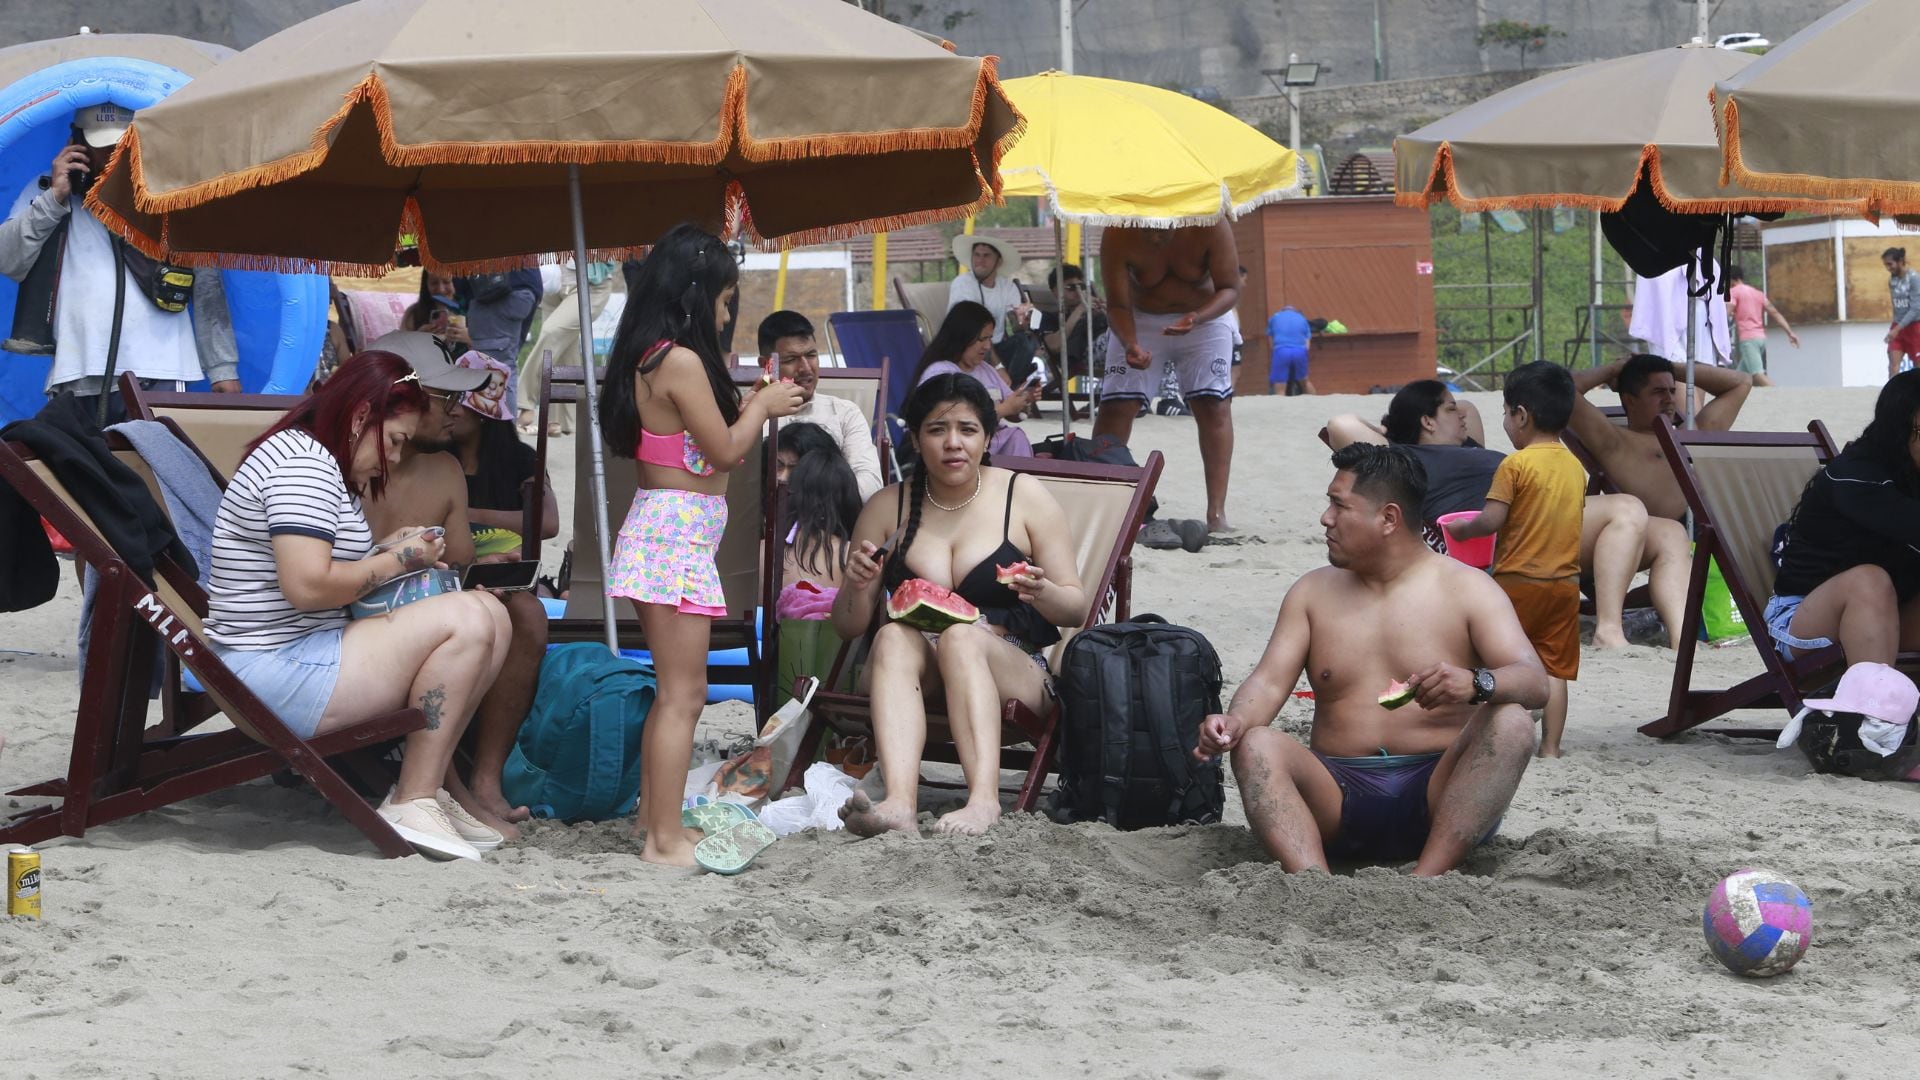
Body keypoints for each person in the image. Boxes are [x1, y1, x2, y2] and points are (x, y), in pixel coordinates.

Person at [203, 351, 514, 861]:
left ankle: (427, 788)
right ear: (360, 418)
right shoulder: (302, 466)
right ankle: (411, 797)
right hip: (275, 672)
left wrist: (385, 552)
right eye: (394, 440)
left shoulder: (314, 460)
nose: (394, 457)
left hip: (297, 655)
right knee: (472, 617)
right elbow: (308, 587)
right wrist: (401, 560)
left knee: (492, 616)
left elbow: (314, 572)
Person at [1194, 443, 1548, 875]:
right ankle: (1312, 882)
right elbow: (1268, 683)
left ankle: (1428, 878)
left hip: (1442, 791)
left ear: (1389, 519)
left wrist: (1476, 683)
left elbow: (1534, 682)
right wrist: (1234, 722)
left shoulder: (1468, 589)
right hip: (1336, 795)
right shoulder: (1312, 593)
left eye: (1339, 506)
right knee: (1255, 743)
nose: (1326, 518)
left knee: (1511, 720)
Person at [598, 223, 805, 867]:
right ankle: (663, 840)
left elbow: (697, 447)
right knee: (684, 696)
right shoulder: (680, 360)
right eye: (723, 298)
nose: (726, 310)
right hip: (673, 539)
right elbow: (725, 452)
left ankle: (649, 824)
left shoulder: (652, 356)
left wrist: (748, 405)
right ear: (695, 294)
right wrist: (764, 406)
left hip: (668, 533)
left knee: (674, 693)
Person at [832, 374, 1089, 837]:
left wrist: (1041, 591)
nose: (954, 444)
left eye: (968, 430)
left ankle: (984, 801)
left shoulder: (1022, 495)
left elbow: (1075, 610)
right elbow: (849, 627)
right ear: (915, 438)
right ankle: (899, 804)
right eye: (937, 430)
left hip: (1014, 669)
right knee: (891, 635)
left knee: (962, 637)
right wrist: (855, 586)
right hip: (917, 672)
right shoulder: (888, 506)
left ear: (988, 437)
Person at [360, 333, 555, 838]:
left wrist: (493, 567)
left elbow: (461, 563)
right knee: (462, 621)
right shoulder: (348, 464)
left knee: (524, 611)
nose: (457, 408)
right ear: (402, 399)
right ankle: (442, 790)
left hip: (417, 605)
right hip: (354, 619)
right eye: (445, 397)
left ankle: (481, 781)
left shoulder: (445, 468)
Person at [0, 104, 241, 419]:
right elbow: (8, 259)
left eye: (123, 145)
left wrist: (222, 367)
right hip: (77, 375)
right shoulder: (47, 190)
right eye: (104, 148)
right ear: (79, 146)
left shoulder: (169, 193)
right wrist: (55, 199)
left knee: (151, 467)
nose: (115, 155)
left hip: (159, 370)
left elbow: (206, 279)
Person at [1442, 363, 1584, 758]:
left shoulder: (1515, 464)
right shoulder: (1574, 466)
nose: (1505, 421)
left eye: (1506, 413)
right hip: (1566, 583)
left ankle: (1487, 736)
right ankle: (1551, 749)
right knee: (1554, 669)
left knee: (1498, 658)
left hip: (1517, 579)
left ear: (1521, 415)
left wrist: (1463, 530)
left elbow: (1492, 520)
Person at [1568, 354, 1753, 645]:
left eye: (1671, 390)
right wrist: (1613, 370)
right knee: (1674, 536)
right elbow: (1564, 389)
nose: (1669, 399)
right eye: (1657, 392)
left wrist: (1673, 369)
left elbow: (1741, 382)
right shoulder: (1613, 440)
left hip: (1700, 538)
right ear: (1629, 400)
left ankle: (1685, 642)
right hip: (1642, 537)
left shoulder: (1692, 434)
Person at [1769, 370, 1920, 673]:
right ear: (1899, 428)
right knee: (1869, 580)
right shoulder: (1856, 475)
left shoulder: (1911, 469)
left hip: (1891, 612)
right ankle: (1875, 712)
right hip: (1803, 618)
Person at [1096, 222, 1241, 533]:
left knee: (1213, 405)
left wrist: (1197, 317)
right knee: (1116, 407)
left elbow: (1229, 288)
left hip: (1206, 316)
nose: (1154, 237)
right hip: (1140, 317)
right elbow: (1118, 304)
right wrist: (1130, 342)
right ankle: (1098, 498)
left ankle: (1217, 513)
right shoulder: (1117, 232)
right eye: (1146, 229)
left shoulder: (1210, 223)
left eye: (1162, 229)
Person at [757, 310, 885, 500]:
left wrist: (815, 499)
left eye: (811, 355)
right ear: (766, 365)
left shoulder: (844, 413)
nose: (806, 368)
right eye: (791, 359)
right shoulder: (753, 416)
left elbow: (871, 485)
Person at [912, 301, 1039, 459]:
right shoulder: (940, 372)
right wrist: (1005, 408)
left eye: (989, 339)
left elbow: (1012, 410)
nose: (987, 346)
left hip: (989, 445)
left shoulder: (986, 370)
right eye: (981, 339)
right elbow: (953, 420)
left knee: (1016, 437)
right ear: (962, 338)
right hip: (955, 448)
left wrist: (1023, 401)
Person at [519, 259, 620, 437]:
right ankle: (561, 419)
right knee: (563, 351)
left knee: (552, 333)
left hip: (590, 284)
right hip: (553, 282)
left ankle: (525, 400)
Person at [776, 423, 861, 612]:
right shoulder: (854, 555)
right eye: (778, 466)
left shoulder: (765, 551)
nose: (783, 478)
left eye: (795, 470)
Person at [458, 269, 542, 402]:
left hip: (497, 289)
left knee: (497, 377)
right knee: (501, 371)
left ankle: (503, 422)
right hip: (519, 285)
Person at [945, 234, 1032, 359]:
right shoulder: (962, 284)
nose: (980, 260)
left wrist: (1022, 320)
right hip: (966, 347)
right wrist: (998, 367)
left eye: (986, 255)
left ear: (999, 261)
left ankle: (1004, 378)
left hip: (994, 347)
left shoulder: (1007, 287)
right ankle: (1002, 378)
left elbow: (1014, 326)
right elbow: (969, 331)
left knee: (1026, 342)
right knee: (980, 347)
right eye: (976, 255)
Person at [1725, 265, 1798, 389]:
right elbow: (1775, 313)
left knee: (1757, 375)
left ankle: (1781, 397)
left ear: (1732, 279)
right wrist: (1790, 332)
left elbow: (1726, 312)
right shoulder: (1757, 293)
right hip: (1760, 339)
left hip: (1748, 339)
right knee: (1738, 377)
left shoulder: (1734, 292)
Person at [1037, 263, 1107, 385]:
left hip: (1109, 346)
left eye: (1081, 286)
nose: (1078, 291)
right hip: (1084, 355)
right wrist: (1079, 310)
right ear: (1055, 292)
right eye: (1071, 287)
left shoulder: (1094, 310)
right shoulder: (1048, 317)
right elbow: (1054, 346)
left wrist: (1109, 311)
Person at [401, 269, 470, 348]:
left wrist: (470, 339)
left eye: (446, 282)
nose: (441, 289)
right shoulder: (413, 313)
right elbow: (402, 350)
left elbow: (484, 354)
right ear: (426, 285)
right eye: (434, 283)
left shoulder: (471, 310)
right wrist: (418, 337)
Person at [1883, 247, 1920, 380]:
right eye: (1886, 265)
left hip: (1914, 327)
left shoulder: (1914, 279)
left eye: (1890, 264)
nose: (1888, 268)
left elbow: (1916, 309)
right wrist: (1895, 328)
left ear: (1900, 261)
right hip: (1897, 326)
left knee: (1917, 367)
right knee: (1893, 365)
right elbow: (1897, 306)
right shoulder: (1892, 280)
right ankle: (1892, 396)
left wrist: (1897, 329)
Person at [1267, 303, 1315, 397]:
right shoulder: (1302, 318)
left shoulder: (1274, 317)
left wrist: (1275, 351)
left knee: (1280, 387)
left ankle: (1281, 407)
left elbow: (1271, 340)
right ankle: (1315, 401)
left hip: (1281, 350)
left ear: (1282, 310)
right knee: (1305, 381)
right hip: (1299, 351)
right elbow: (1307, 343)